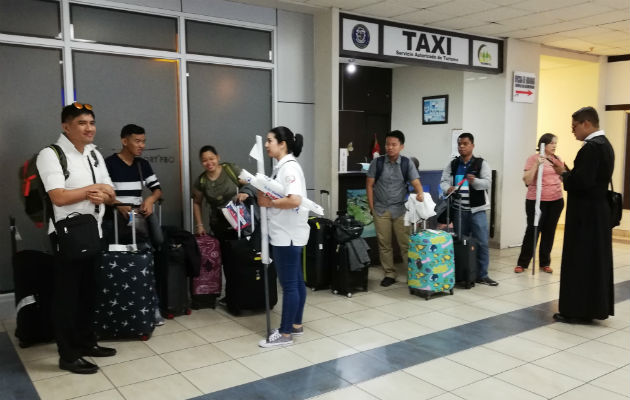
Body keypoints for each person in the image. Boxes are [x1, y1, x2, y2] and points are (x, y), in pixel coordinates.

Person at [36, 102, 117, 374]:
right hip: (67, 237)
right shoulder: (51, 154)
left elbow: (112, 193)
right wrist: (92, 190)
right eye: (82, 123)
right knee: (67, 298)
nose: (89, 128)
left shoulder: (94, 154)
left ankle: (85, 342)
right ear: (66, 126)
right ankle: (67, 355)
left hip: (94, 233)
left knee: (89, 294)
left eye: (92, 122)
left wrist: (103, 194)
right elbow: (58, 196)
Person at [552, 106, 615, 323]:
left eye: (574, 127)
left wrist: (564, 174)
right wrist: (570, 173)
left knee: (580, 261)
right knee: (594, 261)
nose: (573, 132)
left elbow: (582, 182)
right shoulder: (605, 145)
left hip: (585, 216)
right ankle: (592, 307)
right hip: (597, 212)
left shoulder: (591, 148)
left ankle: (576, 310)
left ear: (587, 123)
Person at [256, 126, 309, 347]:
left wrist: (270, 203)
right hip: (289, 233)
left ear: (282, 143)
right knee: (296, 282)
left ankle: (285, 334)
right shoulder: (284, 167)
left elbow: (294, 200)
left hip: (286, 235)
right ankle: (295, 325)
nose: (267, 145)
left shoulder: (289, 169)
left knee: (289, 285)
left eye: (270, 140)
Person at [366, 130, 424, 287]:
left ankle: (412, 273)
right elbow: (370, 185)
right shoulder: (376, 163)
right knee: (385, 244)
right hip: (380, 209)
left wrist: (420, 193)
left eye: (394, 144)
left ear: (401, 146)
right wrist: (372, 207)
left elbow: (416, 182)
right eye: (387, 144)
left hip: (400, 210)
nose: (389, 147)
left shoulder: (406, 163)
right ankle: (389, 273)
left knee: (405, 243)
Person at [440, 132, 498, 286]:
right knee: (462, 242)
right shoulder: (453, 164)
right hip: (459, 211)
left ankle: (482, 275)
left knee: (482, 243)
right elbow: (443, 181)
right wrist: (447, 188)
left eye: (465, 144)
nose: (461, 147)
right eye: (459, 144)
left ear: (472, 145)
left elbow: (487, 183)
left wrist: (475, 182)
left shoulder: (481, 163)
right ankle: (463, 272)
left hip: (477, 211)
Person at [104, 124, 162, 244]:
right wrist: (118, 204)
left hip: (137, 219)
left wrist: (151, 200)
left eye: (143, 141)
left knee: (153, 244)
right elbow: (100, 194)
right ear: (125, 141)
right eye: (137, 141)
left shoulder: (143, 164)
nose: (142, 145)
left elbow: (157, 190)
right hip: (113, 220)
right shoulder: (108, 164)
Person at [515, 133, 564, 274]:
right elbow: (527, 180)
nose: (554, 146)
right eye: (552, 143)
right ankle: (522, 263)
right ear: (543, 144)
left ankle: (545, 262)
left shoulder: (557, 159)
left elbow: (562, 177)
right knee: (532, 231)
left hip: (556, 201)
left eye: (556, 143)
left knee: (549, 232)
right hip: (536, 201)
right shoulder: (533, 159)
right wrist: (537, 164)